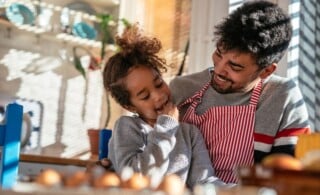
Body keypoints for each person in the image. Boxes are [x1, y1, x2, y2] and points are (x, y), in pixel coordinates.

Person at [169, 0, 311, 184]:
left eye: (234, 66)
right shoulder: (182, 90)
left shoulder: (282, 97)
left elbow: (291, 178)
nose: (219, 70)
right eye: (219, 54)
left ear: (266, 70)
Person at [102, 24, 225, 189]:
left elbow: (203, 181)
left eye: (159, 84)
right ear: (130, 106)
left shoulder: (189, 133)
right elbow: (136, 179)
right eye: (145, 96)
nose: (159, 95)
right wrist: (166, 129)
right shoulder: (127, 127)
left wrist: (239, 191)